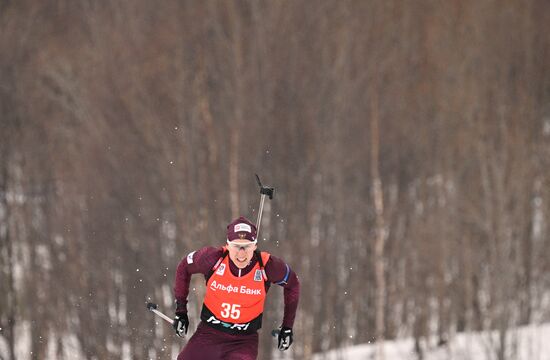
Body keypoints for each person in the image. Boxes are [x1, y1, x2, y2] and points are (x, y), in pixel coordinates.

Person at [173, 216, 300, 360]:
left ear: (255, 245)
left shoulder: (267, 266)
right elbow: (184, 266)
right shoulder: (212, 259)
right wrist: (181, 311)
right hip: (208, 334)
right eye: (236, 246)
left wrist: (287, 327)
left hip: (243, 341)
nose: (241, 253)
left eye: (246, 246)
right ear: (227, 245)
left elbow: (293, 284)